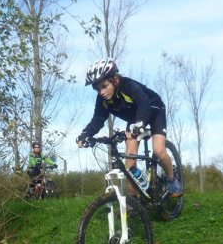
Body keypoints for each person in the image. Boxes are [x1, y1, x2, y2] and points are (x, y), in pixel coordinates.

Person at [76, 57, 183, 197]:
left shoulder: (127, 86)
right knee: (129, 163)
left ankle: (171, 179)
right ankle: (134, 201)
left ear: (114, 79)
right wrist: (86, 134)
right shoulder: (102, 99)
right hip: (135, 119)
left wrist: (140, 123)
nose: (101, 92)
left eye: (104, 86)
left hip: (154, 109)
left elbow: (143, 102)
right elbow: (98, 119)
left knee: (158, 151)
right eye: (97, 89)